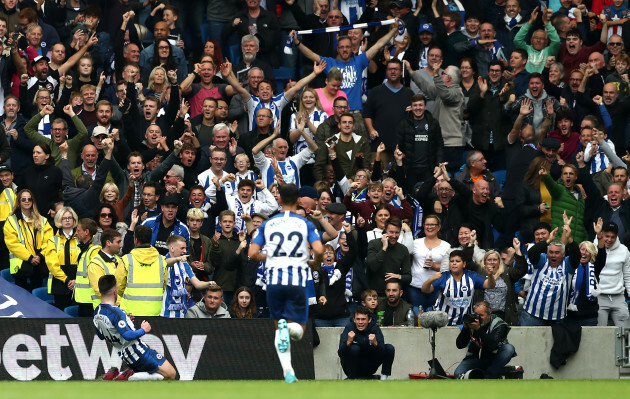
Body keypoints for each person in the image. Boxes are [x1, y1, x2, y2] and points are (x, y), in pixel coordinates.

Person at [248, 183, 324, 383]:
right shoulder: (305, 224)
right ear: (299, 200)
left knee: (278, 325)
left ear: (279, 199)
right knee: (299, 331)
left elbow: (252, 253)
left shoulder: (267, 224)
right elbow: (320, 249)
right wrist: (313, 263)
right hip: (297, 281)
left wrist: (272, 257)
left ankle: (288, 371)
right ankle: (288, 331)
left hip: (273, 281)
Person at [94, 275, 177, 381]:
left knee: (162, 375)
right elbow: (128, 336)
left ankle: (125, 374)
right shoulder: (116, 312)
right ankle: (125, 376)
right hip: (138, 351)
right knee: (171, 374)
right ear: (115, 291)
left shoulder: (97, 312)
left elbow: (101, 335)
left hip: (126, 355)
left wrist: (125, 321)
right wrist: (143, 329)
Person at [116, 225, 186, 317]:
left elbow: (118, 286)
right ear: (150, 239)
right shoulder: (161, 260)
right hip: (155, 311)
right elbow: (163, 286)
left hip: (130, 312)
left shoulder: (126, 260)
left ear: (135, 240)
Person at [422, 249, 495, 326]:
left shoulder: (472, 276)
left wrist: (490, 275)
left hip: (464, 323)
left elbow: (490, 285)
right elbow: (425, 290)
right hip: (443, 323)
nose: (454, 263)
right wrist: (431, 279)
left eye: (457, 261)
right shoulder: (443, 277)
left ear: (464, 264)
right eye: (452, 261)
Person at [4, 189, 53, 292]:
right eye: (23, 199)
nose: (27, 201)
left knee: (36, 302)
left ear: (33, 201)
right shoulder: (11, 220)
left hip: (38, 266)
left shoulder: (42, 220)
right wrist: (30, 257)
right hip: (21, 268)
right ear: (19, 202)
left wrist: (39, 256)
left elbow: (49, 242)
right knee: (22, 300)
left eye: (29, 199)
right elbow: (12, 243)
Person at [454, 301, 516, 379]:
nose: (478, 318)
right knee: (457, 374)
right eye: (476, 315)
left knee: (509, 348)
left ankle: (489, 376)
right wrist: (465, 329)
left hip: (494, 358)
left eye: (481, 315)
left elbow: (492, 344)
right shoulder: (473, 322)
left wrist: (478, 330)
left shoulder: (499, 324)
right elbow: (460, 345)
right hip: (475, 358)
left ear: (489, 314)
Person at [161, 235, 214, 318]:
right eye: (182, 248)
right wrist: (177, 259)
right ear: (172, 248)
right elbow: (166, 262)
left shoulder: (185, 265)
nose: (185, 251)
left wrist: (208, 284)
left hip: (181, 313)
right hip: (164, 312)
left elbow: (197, 284)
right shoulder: (162, 261)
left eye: (185, 248)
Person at [337, 306, 395, 380]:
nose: (360, 322)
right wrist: (348, 342)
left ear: (369, 320)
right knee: (354, 348)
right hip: (352, 367)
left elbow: (382, 351)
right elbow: (340, 353)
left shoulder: (374, 328)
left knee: (389, 348)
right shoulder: (349, 328)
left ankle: (383, 379)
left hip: (370, 365)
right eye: (358, 319)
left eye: (363, 319)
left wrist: (375, 343)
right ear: (354, 320)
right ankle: (351, 379)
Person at [409, 215, 451, 309]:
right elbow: (407, 258)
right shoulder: (416, 243)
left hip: (436, 288)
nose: (429, 227)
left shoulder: (446, 246)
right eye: (427, 224)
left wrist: (435, 266)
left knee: (435, 316)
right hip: (416, 286)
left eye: (432, 224)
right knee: (416, 316)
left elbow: (450, 268)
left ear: (439, 227)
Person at [43, 206, 80, 310]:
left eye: (70, 218)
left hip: (78, 282)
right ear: (59, 220)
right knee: (61, 317)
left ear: (74, 220)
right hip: (59, 283)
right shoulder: (52, 240)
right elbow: (52, 265)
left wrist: (76, 280)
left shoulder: (80, 239)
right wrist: (67, 280)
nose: (67, 220)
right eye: (64, 218)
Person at [366, 216, 412, 296]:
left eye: (397, 233)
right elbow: (373, 266)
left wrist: (398, 276)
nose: (394, 236)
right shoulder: (374, 244)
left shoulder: (403, 249)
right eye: (391, 232)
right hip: (375, 295)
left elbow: (408, 278)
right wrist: (384, 248)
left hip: (394, 295)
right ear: (385, 231)